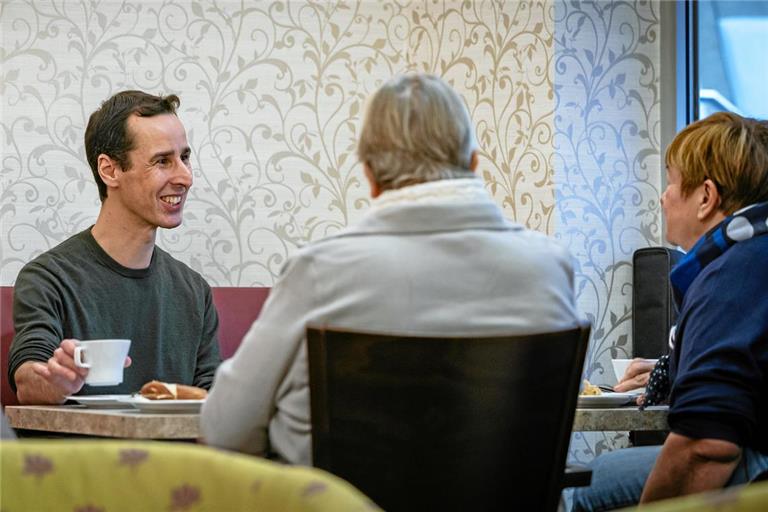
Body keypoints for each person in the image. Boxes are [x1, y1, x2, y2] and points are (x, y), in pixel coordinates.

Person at [201, 73, 580, 464]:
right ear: (473, 162)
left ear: (370, 177)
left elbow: (226, 430)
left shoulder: (320, 271)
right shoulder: (550, 267)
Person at [572, 112, 768, 511]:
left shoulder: (732, 274)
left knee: (590, 482)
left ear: (706, 197)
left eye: (672, 181)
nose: (663, 196)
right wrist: (674, 364)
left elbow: (706, 446)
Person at [8, 91, 221, 405]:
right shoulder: (47, 278)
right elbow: (29, 383)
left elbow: (216, 405)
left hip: (175, 455)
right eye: (163, 161)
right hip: (82, 455)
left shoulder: (194, 291)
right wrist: (58, 380)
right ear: (110, 170)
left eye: (184, 157)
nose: (185, 177)